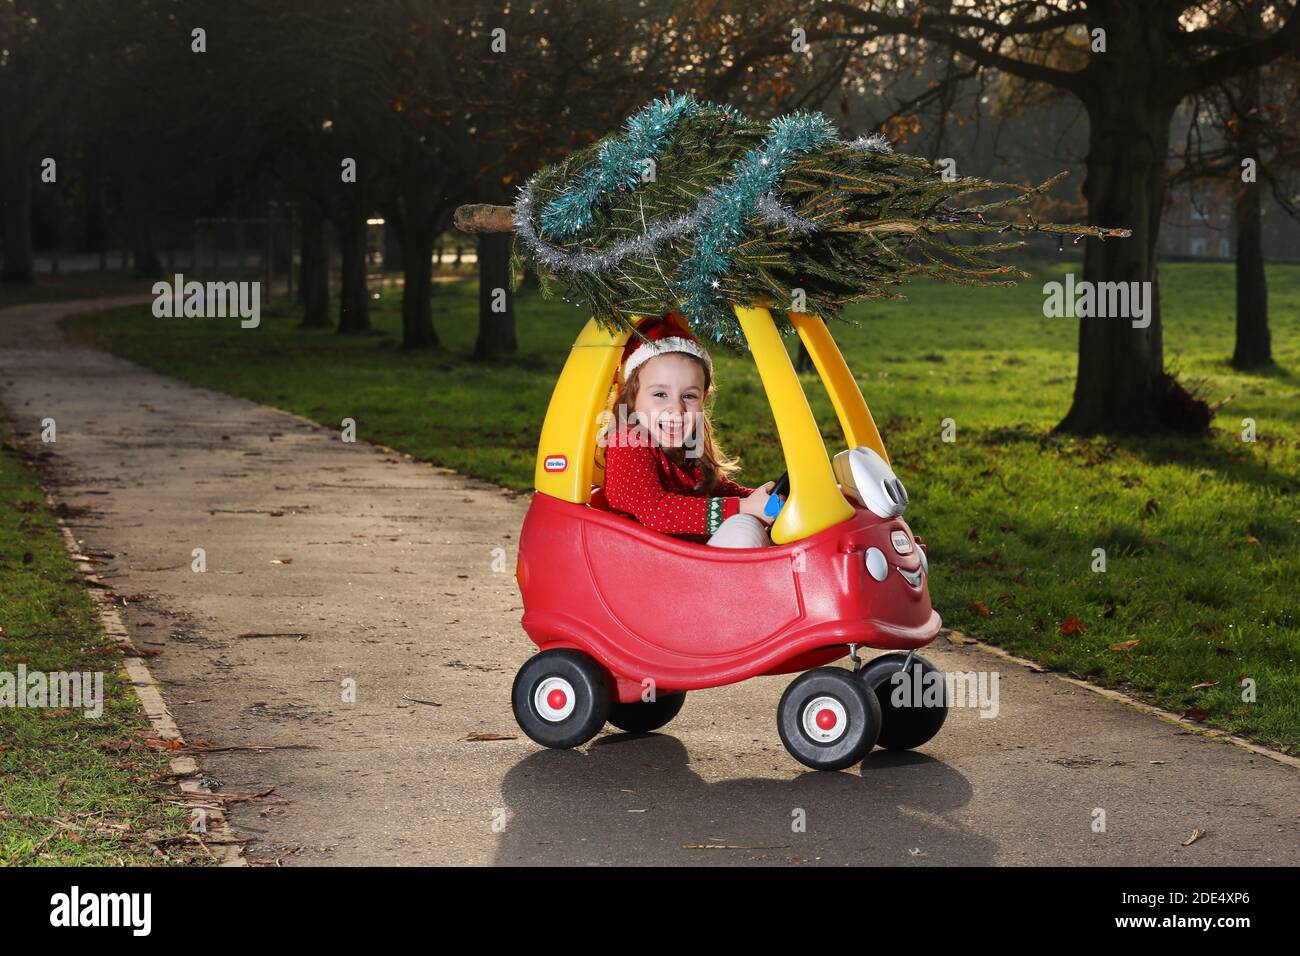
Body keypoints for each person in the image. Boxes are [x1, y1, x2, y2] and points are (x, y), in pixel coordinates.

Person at [598, 313, 776, 548]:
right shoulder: (628, 443)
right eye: (660, 394)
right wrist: (742, 509)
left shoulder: (686, 446)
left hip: (686, 561)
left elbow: (716, 490)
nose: (676, 408)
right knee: (744, 530)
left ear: (702, 400)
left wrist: (757, 498)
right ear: (632, 400)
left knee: (764, 531)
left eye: (689, 396)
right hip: (646, 564)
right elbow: (656, 511)